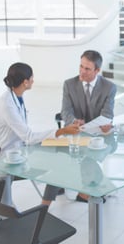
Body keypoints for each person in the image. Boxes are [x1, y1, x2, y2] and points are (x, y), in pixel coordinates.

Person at [0, 62, 81, 202]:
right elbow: (28, 137)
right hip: (8, 157)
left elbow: (25, 134)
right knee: (56, 164)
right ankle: (44, 208)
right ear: (25, 82)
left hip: (21, 149)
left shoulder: (16, 96)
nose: (34, 80)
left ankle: (48, 203)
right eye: (32, 77)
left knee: (59, 157)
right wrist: (61, 131)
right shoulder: (7, 104)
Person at [42, 50, 117, 204]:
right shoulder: (69, 84)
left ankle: (88, 189)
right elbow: (65, 111)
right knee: (61, 161)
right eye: (81, 66)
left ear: (97, 70)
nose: (82, 71)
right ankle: (80, 190)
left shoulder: (109, 87)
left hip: (98, 136)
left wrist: (105, 125)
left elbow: (107, 114)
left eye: (87, 69)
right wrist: (73, 121)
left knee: (100, 152)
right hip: (75, 134)